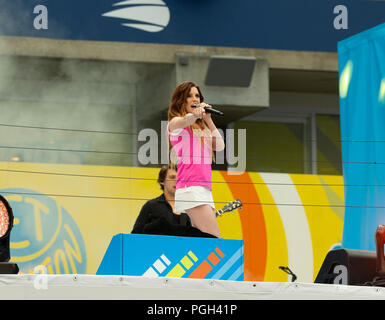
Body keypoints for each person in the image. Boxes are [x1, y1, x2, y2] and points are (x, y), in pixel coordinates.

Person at [167, 81, 225, 238]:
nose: (195, 99)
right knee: (214, 238)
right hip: (191, 188)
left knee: (203, 241)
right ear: (181, 100)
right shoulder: (176, 124)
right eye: (190, 96)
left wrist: (208, 119)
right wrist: (194, 115)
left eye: (197, 96)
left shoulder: (202, 129)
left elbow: (219, 146)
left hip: (204, 188)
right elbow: (184, 120)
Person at [131, 165, 217, 238]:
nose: (177, 181)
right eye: (172, 177)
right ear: (162, 181)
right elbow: (135, 235)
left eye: (180, 177)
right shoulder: (151, 206)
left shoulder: (191, 206)